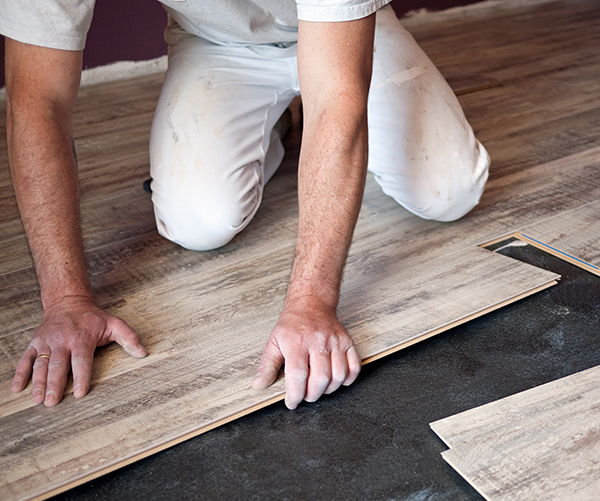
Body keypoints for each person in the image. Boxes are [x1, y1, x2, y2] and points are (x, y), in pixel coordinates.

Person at [1, 0, 489, 410]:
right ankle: (274, 128)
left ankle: (294, 115)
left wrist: (311, 303)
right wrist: (65, 301)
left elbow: (338, 98)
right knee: (196, 223)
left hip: (348, 34)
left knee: (449, 192)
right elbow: (36, 100)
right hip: (218, 43)